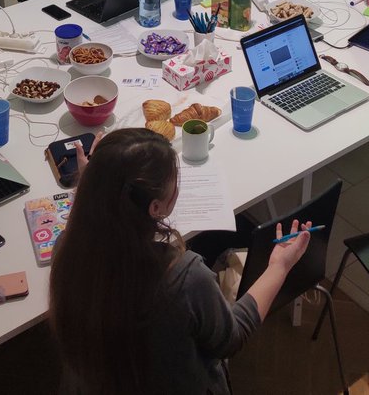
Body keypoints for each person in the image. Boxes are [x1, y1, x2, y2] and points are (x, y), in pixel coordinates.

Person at [49, 128, 312, 395]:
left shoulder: (67, 251)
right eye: (174, 181)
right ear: (155, 208)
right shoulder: (185, 278)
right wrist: (280, 265)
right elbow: (231, 339)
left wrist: (96, 185)